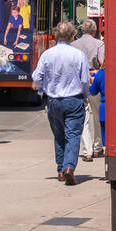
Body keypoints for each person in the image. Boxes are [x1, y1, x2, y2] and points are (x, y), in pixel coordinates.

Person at [32, 20, 89, 185]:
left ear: (56, 36)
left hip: (54, 100)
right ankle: (69, 167)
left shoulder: (48, 54)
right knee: (73, 135)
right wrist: (85, 95)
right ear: (72, 36)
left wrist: (42, 90)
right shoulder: (78, 55)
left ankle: (60, 170)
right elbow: (85, 80)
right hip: (74, 99)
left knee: (59, 136)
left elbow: (37, 77)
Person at [71, 19, 104, 161]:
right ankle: (97, 147)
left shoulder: (73, 45)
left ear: (82, 31)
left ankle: (87, 150)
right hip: (94, 81)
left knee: (82, 118)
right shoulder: (99, 44)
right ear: (95, 31)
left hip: (78, 83)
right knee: (97, 116)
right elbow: (103, 64)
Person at [89, 64, 105, 152]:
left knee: (98, 120)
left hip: (104, 104)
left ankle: (97, 147)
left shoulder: (101, 73)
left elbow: (93, 91)